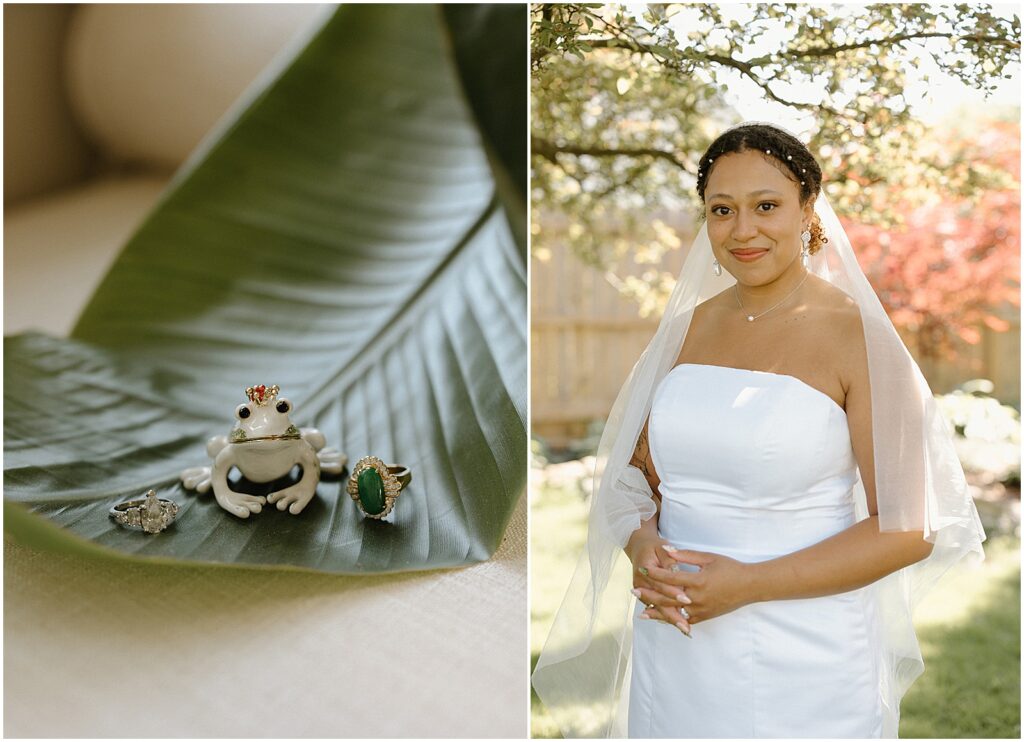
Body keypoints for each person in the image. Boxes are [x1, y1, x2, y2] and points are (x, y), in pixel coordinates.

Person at [532, 123, 986, 738]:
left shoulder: (861, 338)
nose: (742, 230)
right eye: (722, 210)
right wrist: (643, 549)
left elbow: (908, 530)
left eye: (766, 206)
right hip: (679, 640)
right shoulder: (686, 329)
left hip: (804, 651)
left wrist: (748, 585)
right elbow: (633, 478)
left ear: (807, 209)